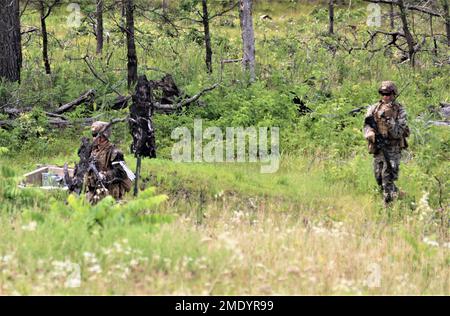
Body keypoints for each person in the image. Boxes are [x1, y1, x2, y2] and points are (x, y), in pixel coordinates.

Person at [363, 81, 410, 206]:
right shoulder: (374, 108)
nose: (385, 96)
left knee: (387, 178)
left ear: (394, 94)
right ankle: (399, 194)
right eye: (383, 94)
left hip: (393, 149)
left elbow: (398, 133)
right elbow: (367, 125)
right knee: (378, 177)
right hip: (378, 147)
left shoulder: (400, 110)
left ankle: (388, 207)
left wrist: (389, 120)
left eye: (388, 94)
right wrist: (370, 134)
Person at [85, 121, 133, 204]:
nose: (94, 138)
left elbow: (120, 172)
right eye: (93, 135)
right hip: (93, 191)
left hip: (109, 192)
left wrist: (105, 175)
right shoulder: (93, 150)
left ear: (104, 136)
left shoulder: (114, 152)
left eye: (96, 135)